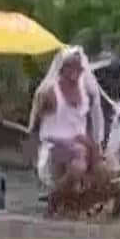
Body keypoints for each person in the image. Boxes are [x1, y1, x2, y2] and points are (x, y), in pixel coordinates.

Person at [28, 45, 107, 211]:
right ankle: (55, 196)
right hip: (54, 143)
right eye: (70, 66)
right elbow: (36, 123)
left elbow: (88, 121)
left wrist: (95, 143)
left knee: (104, 169)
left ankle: (84, 203)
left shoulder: (85, 93)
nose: (75, 71)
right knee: (78, 165)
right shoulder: (50, 93)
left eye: (79, 67)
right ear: (62, 68)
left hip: (80, 143)